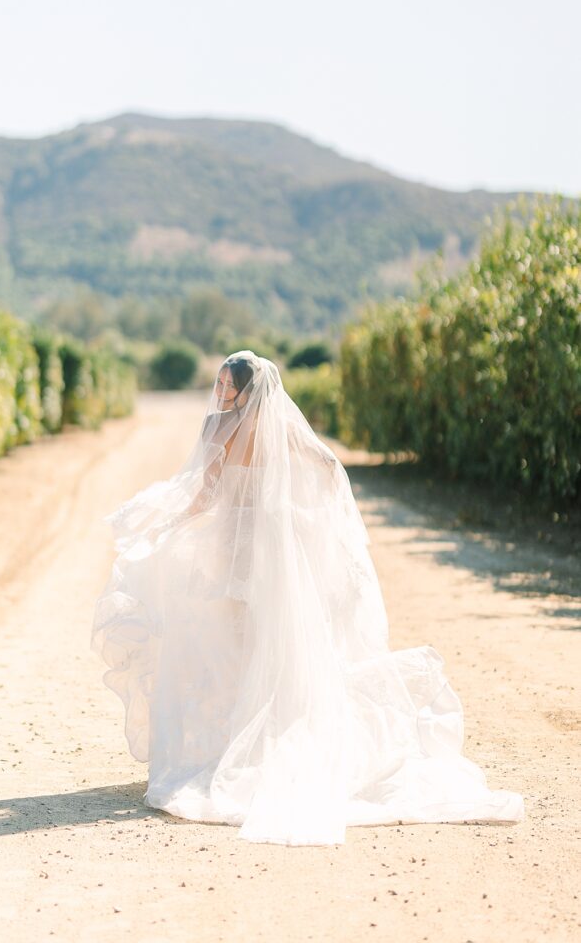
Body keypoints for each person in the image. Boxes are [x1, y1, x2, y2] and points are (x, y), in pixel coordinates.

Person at [90, 349, 525, 846]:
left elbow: (205, 495)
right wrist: (314, 518)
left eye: (226, 384)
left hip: (233, 550)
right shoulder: (281, 426)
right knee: (271, 644)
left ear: (241, 390)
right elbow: (326, 465)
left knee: (235, 647)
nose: (219, 390)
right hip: (274, 551)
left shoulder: (218, 428)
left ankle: (240, 746)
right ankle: (266, 741)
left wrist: (166, 524)